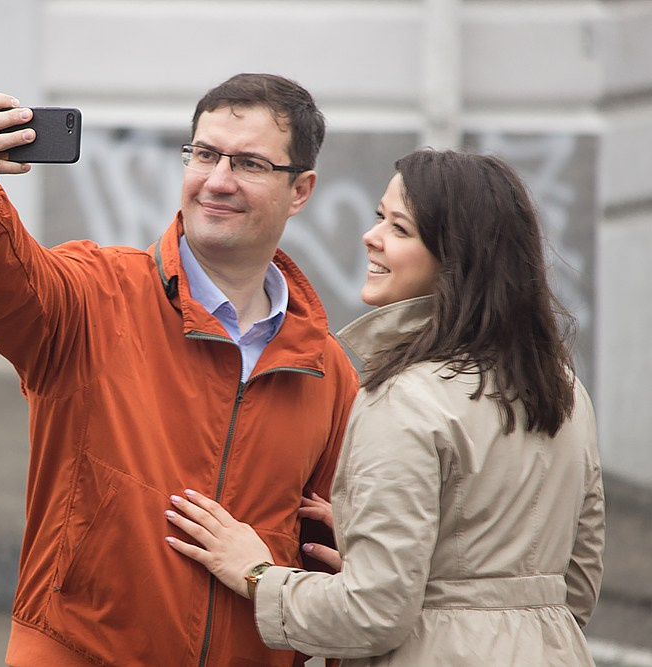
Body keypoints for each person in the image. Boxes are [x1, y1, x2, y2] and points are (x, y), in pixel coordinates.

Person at [0, 73, 359, 666]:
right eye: (205, 154)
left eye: (250, 164)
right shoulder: (95, 293)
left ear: (301, 190)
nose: (218, 181)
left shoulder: (328, 371)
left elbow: (332, 562)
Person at [165, 148, 606, 666]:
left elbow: (372, 615)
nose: (370, 237)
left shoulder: (405, 397)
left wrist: (258, 575)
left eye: (400, 229)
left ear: (455, 260)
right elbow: (574, 587)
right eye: (380, 218)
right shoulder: (565, 391)